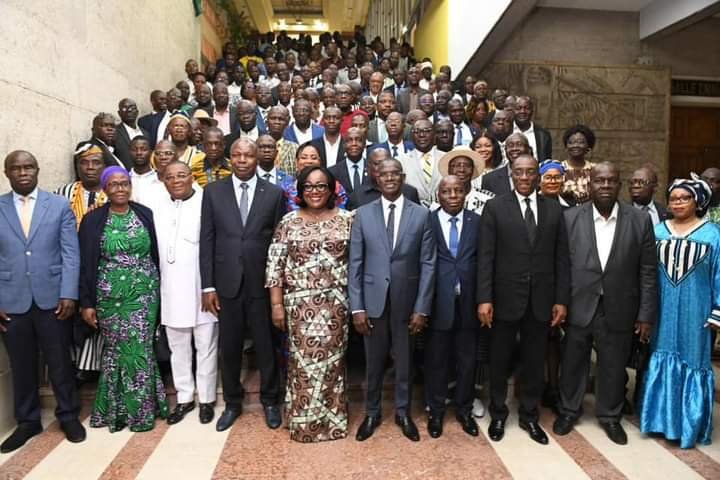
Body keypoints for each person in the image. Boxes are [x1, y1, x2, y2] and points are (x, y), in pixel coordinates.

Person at [554, 162, 657, 446]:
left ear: (619, 184)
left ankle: (610, 416)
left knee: (613, 365)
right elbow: (561, 265)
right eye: (600, 181)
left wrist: (646, 314)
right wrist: (560, 303)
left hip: (620, 306)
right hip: (578, 304)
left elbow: (648, 270)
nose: (606, 186)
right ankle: (568, 410)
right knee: (573, 362)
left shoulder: (639, 221)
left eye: (612, 181)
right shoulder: (571, 217)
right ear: (590, 183)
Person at [477, 154, 569, 445]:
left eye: (531, 172)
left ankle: (530, 415)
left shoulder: (553, 210)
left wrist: (561, 299)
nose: (526, 177)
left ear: (538, 176)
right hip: (503, 300)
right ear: (511, 175)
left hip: (541, 300)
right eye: (520, 172)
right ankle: (498, 413)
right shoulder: (495, 208)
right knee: (499, 360)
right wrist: (484, 298)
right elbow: (486, 257)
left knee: (533, 361)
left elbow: (561, 258)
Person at [0, 151, 85, 453]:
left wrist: (69, 294)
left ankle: (69, 415)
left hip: (53, 298)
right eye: (16, 168)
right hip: (11, 301)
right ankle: (27, 421)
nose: (23, 172)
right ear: (7, 172)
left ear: (37, 170)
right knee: (21, 364)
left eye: (28, 167)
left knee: (60, 361)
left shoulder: (59, 205)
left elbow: (70, 253)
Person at [200, 138, 285, 432]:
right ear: (230, 157)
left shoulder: (274, 194)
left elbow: (278, 242)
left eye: (248, 155)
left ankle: (271, 400)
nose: (243, 160)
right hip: (227, 283)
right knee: (230, 347)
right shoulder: (213, 192)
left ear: (257, 158)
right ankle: (233, 403)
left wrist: (278, 287)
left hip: (262, 284)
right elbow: (207, 239)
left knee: (266, 346)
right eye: (236, 155)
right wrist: (208, 286)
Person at [349, 158, 436, 442]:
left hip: (407, 303)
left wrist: (422, 307)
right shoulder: (362, 214)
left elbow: (428, 264)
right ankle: (372, 413)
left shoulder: (421, 215)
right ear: (376, 178)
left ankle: (402, 412)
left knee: (405, 362)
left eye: (394, 174)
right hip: (372, 303)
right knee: (373, 363)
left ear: (402, 177)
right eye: (383, 174)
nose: (389, 178)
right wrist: (357, 307)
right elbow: (356, 264)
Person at [266, 166, 354, 443]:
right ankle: (303, 422)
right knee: (303, 366)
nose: (315, 192)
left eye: (321, 186)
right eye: (309, 187)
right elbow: (274, 266)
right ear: (300, 191)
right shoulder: (288, 222)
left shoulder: (347, 220)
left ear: (331, 190)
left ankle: (333, 423)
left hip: (336, 305)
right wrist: (276, 305)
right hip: (299, 306)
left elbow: (359, 263)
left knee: (332, 366)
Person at [78, 166, 169, 432]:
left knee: (140, 349)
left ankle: (141, 413)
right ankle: (116, 412)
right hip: (110, 298)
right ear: (105, 189)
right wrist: (87, 303)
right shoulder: (93, 220)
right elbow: (85, 265)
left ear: (130, 187)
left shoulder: (145, 214)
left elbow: (156, 254)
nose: (120, 188)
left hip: (144, 294)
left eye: (124, 183)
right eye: (114, 184)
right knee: (118, 352)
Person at [640, 176, 720, 449]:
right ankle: (660, 421)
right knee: (662, 356)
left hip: (697, 311)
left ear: (697, 202)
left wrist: (717, 311)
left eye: (685, 198)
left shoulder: (713, 234)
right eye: (674, 198)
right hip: (662, 309)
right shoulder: (658, 230)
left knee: (693, 362)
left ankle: (689, 425)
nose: (678, 203)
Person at [152, 161, 218, 425]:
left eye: (181, 175)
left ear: (192, 177)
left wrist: (211, 287)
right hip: (170, 288)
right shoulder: (155, 206)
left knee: (206, 345)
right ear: (163, 180)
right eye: (170, 177)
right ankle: (184, 397)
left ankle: (206, 399)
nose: (176, 180)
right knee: (178, 347)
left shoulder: (206, 202)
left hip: (202, 288)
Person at [425, 175, 482, 439]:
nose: (452, 196)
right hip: (438, 302)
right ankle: (435, 411)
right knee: (437, 360)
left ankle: (464, 409)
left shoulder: (477, 222)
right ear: (439, 195)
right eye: (446, 191)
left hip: (470, 303)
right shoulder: (428, 221)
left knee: (467, 361)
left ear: (465, 194)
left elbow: (484, 262)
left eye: (457, 191)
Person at [279, 142, 348, 212]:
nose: (309, 161)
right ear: (297, 162)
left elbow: (342, 214)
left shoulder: (335, 187)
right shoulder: (285, 189)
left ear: (320, 162)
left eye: (314, 158)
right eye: (304, 157)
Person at [347, 148, 420, 209]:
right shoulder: (357, 196)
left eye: (386, 162)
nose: (383, 167)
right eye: (377, 164)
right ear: (368, 167)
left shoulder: (410, 192)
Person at [433, 149, 494, 216]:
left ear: (473, 170)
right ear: (449, 170)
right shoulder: (435, 198)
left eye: (467, 166)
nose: (461, 170)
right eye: (456, 166)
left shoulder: (488, 199)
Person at [398, 119, 443, 206]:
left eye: (427, 131)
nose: (422, 135)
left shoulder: (446, 158)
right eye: (417, 131)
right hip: (413, 212)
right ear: (412, 135)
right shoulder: (401, 161)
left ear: (434, 134)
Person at [561, 124, 596, 204]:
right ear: (566, 146)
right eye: (571, 142)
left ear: (589, 146)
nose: (575, 145)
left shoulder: (595, 170)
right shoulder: (558, 169)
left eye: (581, 142)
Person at [329, 127, 368, 194]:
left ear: (364, 144)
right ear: (344, 145)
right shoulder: (332, 172)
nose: (354, 144)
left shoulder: (374, 169)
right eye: (350, 140)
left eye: (358, 140)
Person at [513, 96, 552, 162]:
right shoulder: (506, 131)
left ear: (532, 111)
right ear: (513, 111)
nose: (522, 111)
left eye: (527, 108)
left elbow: (546, 160)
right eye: (518, 108)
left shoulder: (543, 135)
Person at [114, 98, 148, 170]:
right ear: (119, 113)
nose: (129, 110)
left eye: (132, 108)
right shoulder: (114, 133)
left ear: (137, 112)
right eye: (124, 108)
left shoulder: (146, 134)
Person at [265, 105, 299, 175]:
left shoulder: (295, 148)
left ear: (287, 123)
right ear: (267, 121)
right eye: (273, 118)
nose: (277, 122)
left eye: (281, 119)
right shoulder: (256, 147)